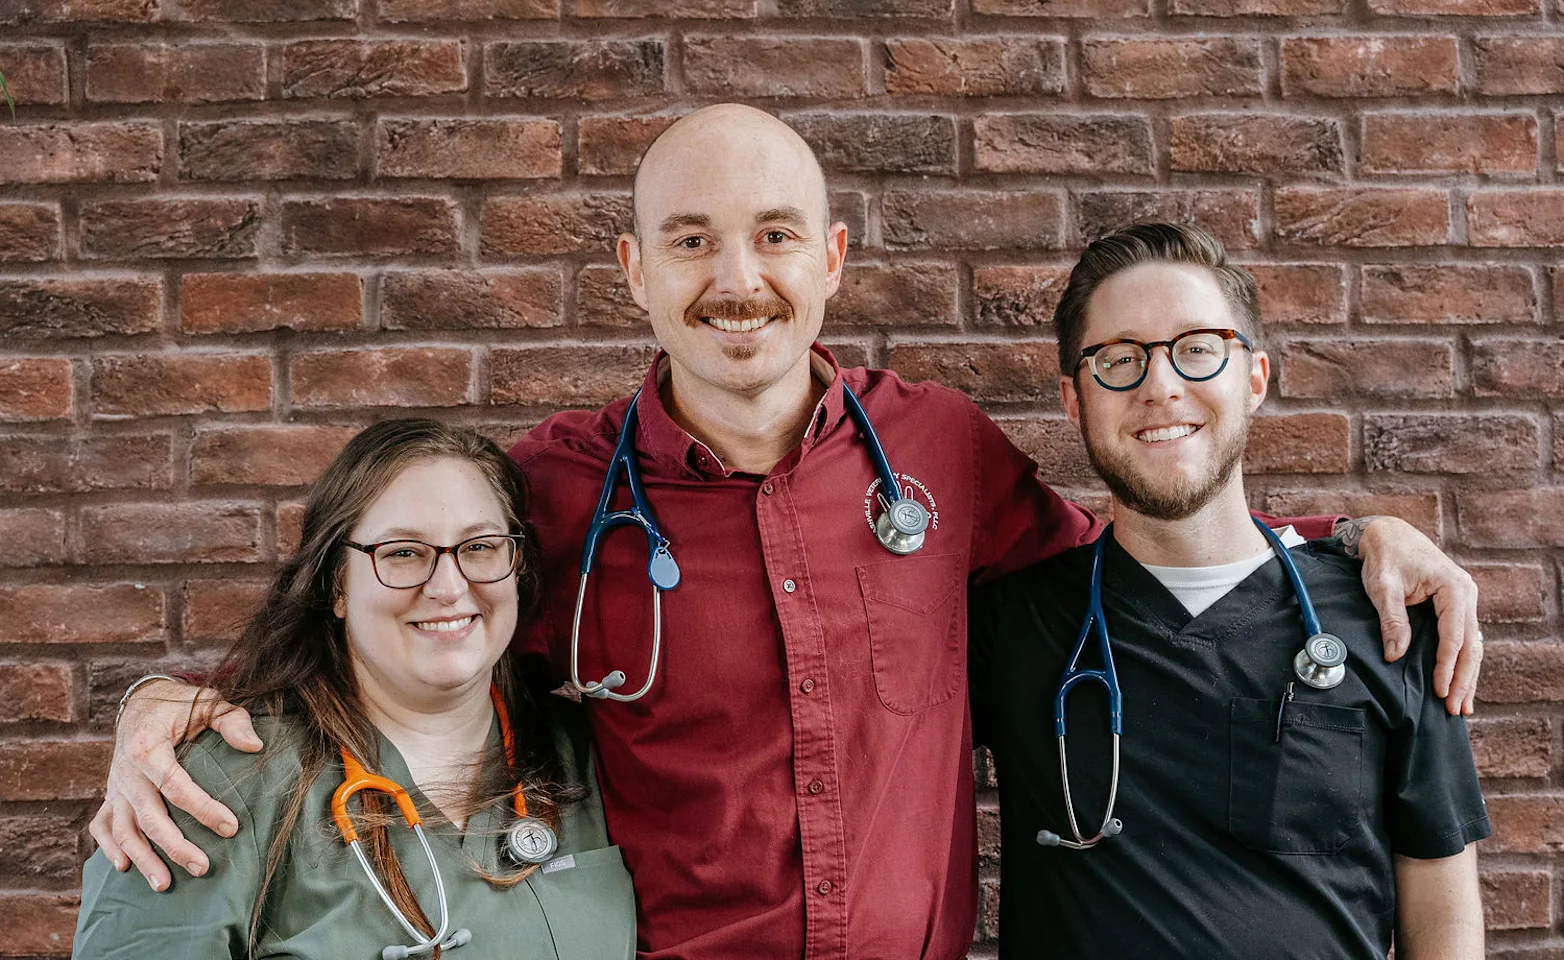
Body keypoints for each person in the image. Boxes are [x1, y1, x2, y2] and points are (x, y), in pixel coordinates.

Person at [92, 106, 1483, 960]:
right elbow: (403, 601)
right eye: (690, 242)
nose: (735, 280)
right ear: (634, 272)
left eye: (770, 236)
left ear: (829, 260)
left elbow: (1152, 530)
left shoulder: (939, 453)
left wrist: (1343, 536)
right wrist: (173, 700)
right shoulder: (553, 490)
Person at [969, 223, 1489, 958]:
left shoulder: (1388, 618)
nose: (1161, 386)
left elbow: (1444, 913)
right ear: (1074, 399)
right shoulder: (1009, 627)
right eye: (1119, 358)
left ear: (1253, 378)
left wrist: (1355, 532)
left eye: (1198, 348)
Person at [73, 419, 635, 960]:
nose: (448, 586)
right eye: (403, 553)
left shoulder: (592, 756)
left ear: (518, 568)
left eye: (480, 546)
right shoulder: (211, 788)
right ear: (335, 587)